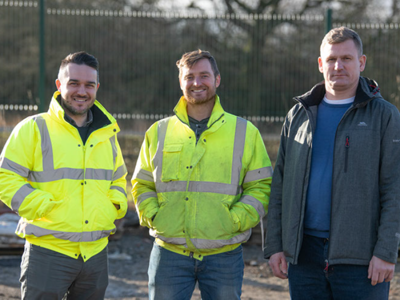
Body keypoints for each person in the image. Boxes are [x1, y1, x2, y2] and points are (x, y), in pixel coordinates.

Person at [264, 27, 400, 299]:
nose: (338, 66)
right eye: (331, 59)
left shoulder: (384, 116)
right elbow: (280, 184)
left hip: (361, 259)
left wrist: (385, 252)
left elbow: (395, 188)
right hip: (304, 256)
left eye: (347, 59)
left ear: (361, 62)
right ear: (320, 64)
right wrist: (276, 246)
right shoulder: (298, 115)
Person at [132, 49, 272, 300]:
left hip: (224, 254)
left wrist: (234, 221)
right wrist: (154, 215)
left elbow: (261, 187)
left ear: (217, 80)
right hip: (169, 253)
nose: (196, 83)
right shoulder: (158, 131)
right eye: (189, 77)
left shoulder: (245, 131)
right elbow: (141, 183)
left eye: (204, 76)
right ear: (180, 81)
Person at [0, 51, 128, 299]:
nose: (82, 91)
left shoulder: (107, 134)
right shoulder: (33, 128)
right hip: (48, 251)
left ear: (97, 88)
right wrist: (42, 207)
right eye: (74, 83)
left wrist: (113, 207)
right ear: (59, 85)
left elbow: (118, 180)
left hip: (95, 254)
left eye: (89, 84)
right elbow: (5, 176)